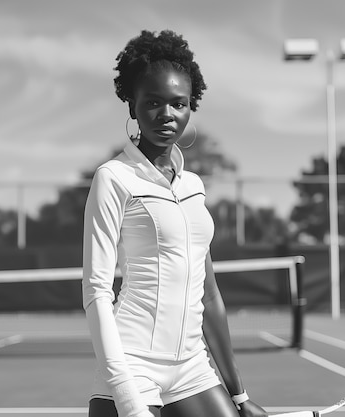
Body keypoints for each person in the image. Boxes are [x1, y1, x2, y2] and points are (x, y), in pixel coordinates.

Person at [82, 29, 268, 417]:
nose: (167, 114)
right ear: (132, 107)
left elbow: (210, 295)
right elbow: (97, 292)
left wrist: (240, 396)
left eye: (178, 104)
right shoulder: (113, 177)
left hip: (192, 366)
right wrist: (128, 398)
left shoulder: (195, 187)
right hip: (131, 363)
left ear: (190, 107)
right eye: (152, 103)